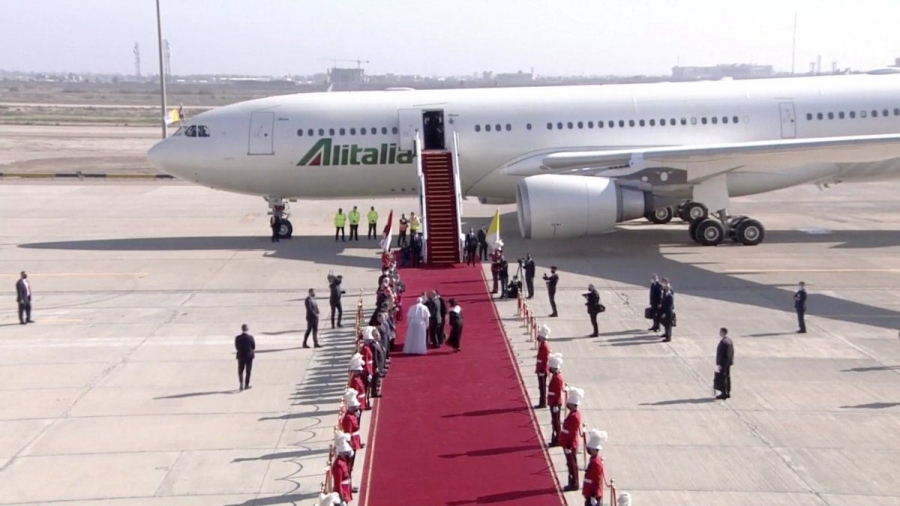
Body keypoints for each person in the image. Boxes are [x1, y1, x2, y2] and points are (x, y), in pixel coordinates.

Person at [560, 386, 585, 491]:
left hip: (570, 443)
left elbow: (571, 432)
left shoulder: (574, 416)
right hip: (568, 442)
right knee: (570, 464)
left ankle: (574, 482)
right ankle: (572, 481)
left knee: (572, 465)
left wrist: (569, 445)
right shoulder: (573, 414)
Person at [340, 388, 363, 479]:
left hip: (355, 439)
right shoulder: (349, 418)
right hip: (352, 440)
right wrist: (351, 444)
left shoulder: (352, 415)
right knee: (350, 463)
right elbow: (348, 432)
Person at [583, 429, 609, 506]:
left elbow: (597, 480)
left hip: (592, 493)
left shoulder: (596, 462)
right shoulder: (594, 460)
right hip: (590, 492)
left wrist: (593, 495)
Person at [330, 432, 354, 504]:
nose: (347, 455)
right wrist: (342, 498)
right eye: (345, 453)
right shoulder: (338, 466)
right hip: (342, 492)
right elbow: (338, 484)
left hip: (345, 489)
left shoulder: (343, 462)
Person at [547, 353, 564, 446]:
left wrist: (555, 405)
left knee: (556, 422)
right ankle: (555, 438)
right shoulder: (556, 377)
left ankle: (557, 439)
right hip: (553, 402)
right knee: (554, 421)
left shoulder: (557, 378)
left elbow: (557, 393)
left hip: (555, 403)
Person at [234, 324, 255, 391]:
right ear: (247, 329)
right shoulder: (250, 337)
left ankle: (241, 384)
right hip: (249, 356)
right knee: (248, 371)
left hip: (241, 356)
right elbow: (253, 346)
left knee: (240, 371)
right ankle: (246, 385)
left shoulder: (237, 338)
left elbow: (236, 347)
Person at [716, 327, 735, 400]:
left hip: (724, 363)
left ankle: (724, 392)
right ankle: (727, 391)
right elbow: (731, 352)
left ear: (723, 332)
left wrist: (720, 364)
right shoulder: (729, 341)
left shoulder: (724, 342)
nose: (719, 333)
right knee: (727, 377)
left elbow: (722, 354)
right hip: (728, 363)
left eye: (720, 332)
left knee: (723, 378)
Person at [535, 324, 551, 408]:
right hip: (541, 368)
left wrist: (542, 370)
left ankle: (543, 402)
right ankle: (542, 401)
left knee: (542, 387)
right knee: (541, 386)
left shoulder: (544, 346)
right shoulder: (543, 345)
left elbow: (544, 360)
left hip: (542, 369)